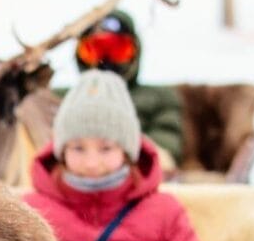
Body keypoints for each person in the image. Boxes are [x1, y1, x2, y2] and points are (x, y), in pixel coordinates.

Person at [23, 69, 231, 241]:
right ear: (60, 150)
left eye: (106, 148)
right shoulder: (30, 213)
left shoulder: (163, 212)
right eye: (78, 148)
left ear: (128, 150)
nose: (92, 162)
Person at [68, 9, 185, 169]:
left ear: (135, 51)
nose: (106, 61)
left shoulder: (159, 97)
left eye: (117, 50)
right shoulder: (67, 100)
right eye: (95, 51)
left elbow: (167, 149)